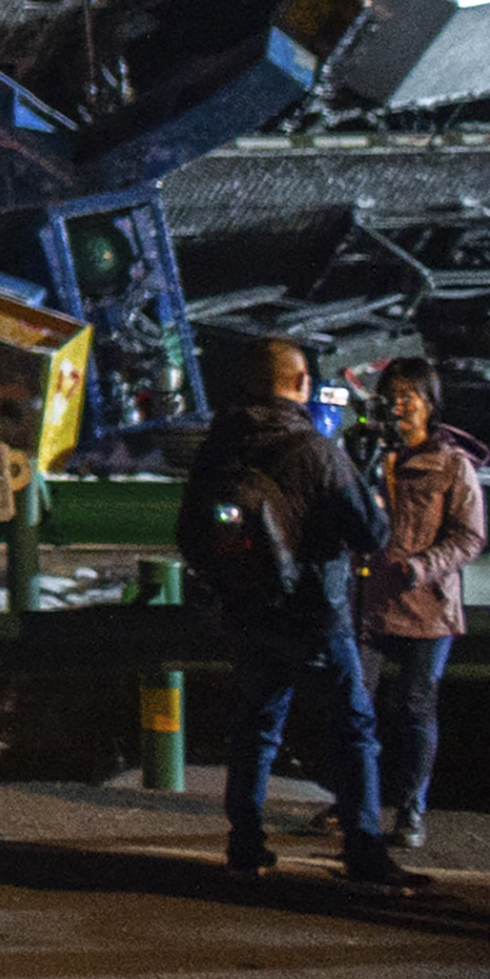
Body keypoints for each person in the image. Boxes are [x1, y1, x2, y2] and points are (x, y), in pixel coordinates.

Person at [180, 333, 424, 892]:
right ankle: (364, 851)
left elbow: (188, 534)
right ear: (300, 385)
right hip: (316, 612)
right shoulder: (314, 451)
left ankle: (244, 845)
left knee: (257, 726)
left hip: (248, 611)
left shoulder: (217, 449)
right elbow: (370, 531)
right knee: (354, 729)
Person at [352, 355, 484, 853]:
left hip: (427, 608)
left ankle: (411, 809)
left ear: (430, 404)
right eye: (392, 395)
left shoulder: (451, 464)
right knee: (354, 706)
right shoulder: (368, 457)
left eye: (410, 396)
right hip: (367, 603)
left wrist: (420, 567)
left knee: (413, 709)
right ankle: (355, 802)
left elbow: (470, 537)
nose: (399, 405)